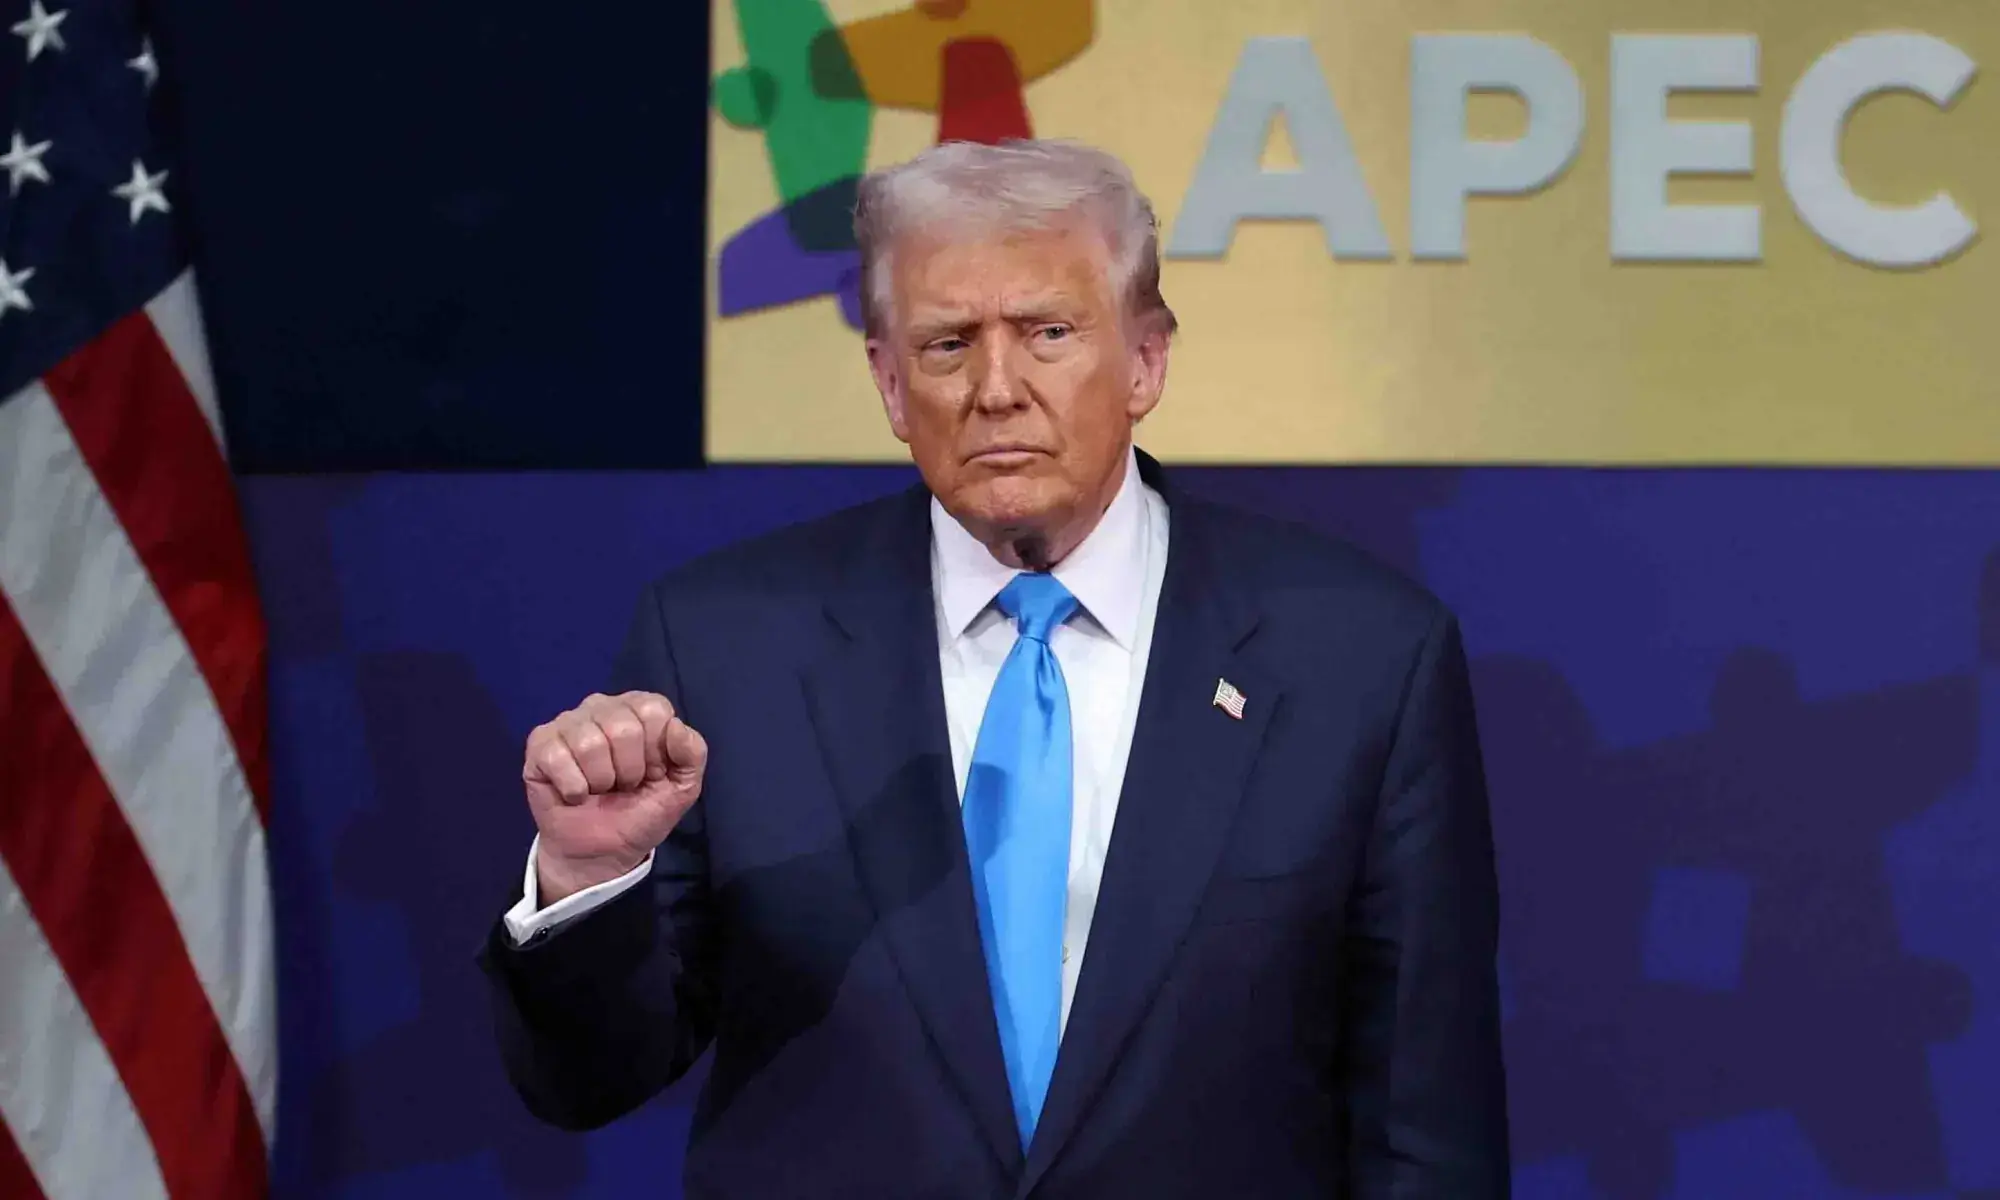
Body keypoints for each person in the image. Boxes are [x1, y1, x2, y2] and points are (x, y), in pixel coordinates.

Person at [480, 138, 1509, 1197]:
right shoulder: (724, 644)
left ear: (1146, 361)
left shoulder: (1358, 658)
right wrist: (587, 884)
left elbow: (1422, 1128)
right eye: (945, 344)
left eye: (1048, 333)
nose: (995, 388)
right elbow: (586, 1081)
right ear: (887, 382)